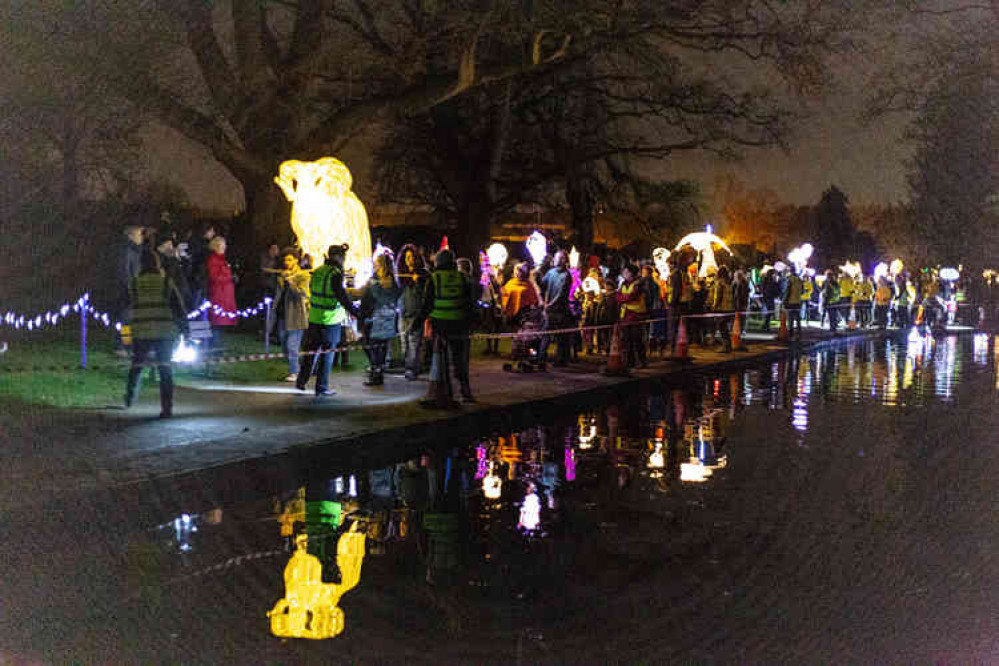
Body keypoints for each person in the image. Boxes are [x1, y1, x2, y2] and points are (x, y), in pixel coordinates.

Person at [124, 250, 186, 418]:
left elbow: (125, 310)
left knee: (136, 365)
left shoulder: (134, 283)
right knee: (165, 368)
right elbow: (178, 307)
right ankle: (167, 408)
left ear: (141, 265)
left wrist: (125, 337)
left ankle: (129, 397)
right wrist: (185, 330)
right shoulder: (166, 282)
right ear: (157, 264)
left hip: (140, 331)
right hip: (164, 331)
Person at [296, 244, 361, 396]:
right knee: (327, 355)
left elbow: (311, 290)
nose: (344, 260)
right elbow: (342, 297)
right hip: (331, 321)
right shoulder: (336, 273)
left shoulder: (317, 271)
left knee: (310, 353)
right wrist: (357, 313)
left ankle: (301, 382)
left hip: (314, 318)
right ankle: (321, 387)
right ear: (338, 257)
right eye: (343, 257)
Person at [420, 248, 475, 406]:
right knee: (460, 361)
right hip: (459, 326)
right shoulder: (463, 278)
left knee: (440, 361)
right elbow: (469, 304)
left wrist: (417, 324)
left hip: (440, 326)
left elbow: (427, 305)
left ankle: (446, 394)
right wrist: (470, 324)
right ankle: (465, 393)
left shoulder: (434, 278)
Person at [360, 254, 401, 386]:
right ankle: (377, 374)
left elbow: (381, 296)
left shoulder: (388, 281)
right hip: (379, 317)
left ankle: (376, 374)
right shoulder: (379, 279)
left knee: (373, 346)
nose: (375, 265)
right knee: (376, 347)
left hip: (380, 318)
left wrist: (373, 286)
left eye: (377, 263)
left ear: (382, 265)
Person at [273, 249, 310, 381]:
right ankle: (302, 368)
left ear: (296, 260)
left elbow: (303, 294)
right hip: (282, 314)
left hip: (296, 315)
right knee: (284, 344)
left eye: (289, 259)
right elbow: (279, 294)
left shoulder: (303, 275)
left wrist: (291, 282)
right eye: (285, 260)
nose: (286, 262)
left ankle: (295, 372)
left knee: (292, 345)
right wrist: (282, 281)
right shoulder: (282, 275)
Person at [396, 245, 429, 381]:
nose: (410, 260)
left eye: (412, 257)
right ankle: (409, 366)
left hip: (416, 314)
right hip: (403, 314)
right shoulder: (401, 276)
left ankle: (412, 369)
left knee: (414, 343)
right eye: (407, 257)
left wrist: (419, 282)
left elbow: (427, 294)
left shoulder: (423, 275)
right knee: (404, 344)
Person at [538, 250, 574, 367]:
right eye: (557, 257)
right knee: (546, 334)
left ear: (565, 260)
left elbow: (561, 294)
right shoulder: (550, 272)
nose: (558, 260)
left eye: (561, 258)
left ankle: (560, 359)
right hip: (551, 310)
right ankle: (541, 357)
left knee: (560, 337)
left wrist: (549, 305)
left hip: (560, 310)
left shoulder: (566, 275)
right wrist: (537, 274)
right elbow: (542, 285)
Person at [116, 224, 145, 354]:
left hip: (135, 288)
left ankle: (128, 345)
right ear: (131, 236)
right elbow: (125, 271)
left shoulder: (136, 250)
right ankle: (123, 345)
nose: (141, 237)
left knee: (130, 320)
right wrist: (130, 289)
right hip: (128, 290)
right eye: (139, 234)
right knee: (126, 320)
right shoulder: (127, 250)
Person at [205, 236, 237, 350]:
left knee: (220, 323)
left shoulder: (222, 259)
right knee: (217, 323)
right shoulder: (214, 260)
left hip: (225, 295)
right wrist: (229, 278)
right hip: (219, 295)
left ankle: (217, 346)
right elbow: (214, 277)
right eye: (224, 245)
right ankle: (214, 347)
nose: (226, 247)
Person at [616, 264, 648, 368]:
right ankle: (630, 362)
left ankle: (641, 361)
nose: (624, 274)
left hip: (636, 315)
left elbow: (632, 296)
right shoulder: (624, 284)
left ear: (632, 273)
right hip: (625, 315)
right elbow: (619, 296)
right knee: (627, 340)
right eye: (624, 272)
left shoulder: (638, 284)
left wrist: (624, 298)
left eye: (626, 272)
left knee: (637, 340)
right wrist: (624, 297)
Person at [500, 262, 541, 326]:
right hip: (509, 312)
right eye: (517, 270)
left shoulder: (528, 285)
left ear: (524, 273)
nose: (517, 273)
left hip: (522, 314)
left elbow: (533, 300)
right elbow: (505, 294)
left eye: (520, 271)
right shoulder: (510, 282)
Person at [710, 266, 734, 351]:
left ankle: (725, 346)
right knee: (725, 327)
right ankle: (728, 344)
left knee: (722, 327)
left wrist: (714, 306)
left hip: (721, 308)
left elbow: (718, 296)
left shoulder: (719, 283)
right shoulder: (729, 283)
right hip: (729, 308)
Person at [783, 268, 804, 341]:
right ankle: (799, 335)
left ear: (790, 271)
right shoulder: (800, 280)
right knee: (798, 320)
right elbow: (802, 291)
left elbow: (787, 291)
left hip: (790, 302)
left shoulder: (790, 279)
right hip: (798, 302)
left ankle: (791, 335)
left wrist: (784, 301)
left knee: (790, 320)